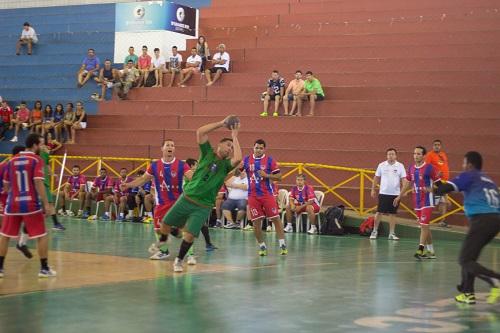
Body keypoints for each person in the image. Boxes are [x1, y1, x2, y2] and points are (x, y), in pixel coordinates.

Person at [151, 116, 241, 272]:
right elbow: (200, 132)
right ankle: (163, 243)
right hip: (187, 198)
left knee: (190, 235)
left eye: (231, 147)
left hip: (203, 206)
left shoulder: (226, 165)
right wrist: (221, 123)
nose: (230, 149)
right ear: (219, 145)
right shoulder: (207, 153)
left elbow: (238, 158)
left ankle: (178, 261)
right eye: (228, 145)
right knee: (164, 223)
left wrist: (234, 136)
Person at [434, 151, 500, 305]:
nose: (463, 166)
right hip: (495, 220)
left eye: (464, 163)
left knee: (464, 259)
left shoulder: (469, 175)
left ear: (469, 164)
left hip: (481, 220)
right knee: (470, 257)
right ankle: (467, 292)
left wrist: (435, 187)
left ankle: (495, 280)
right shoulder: (488, 180)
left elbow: (445, 189)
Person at [121, 140, 193, 260]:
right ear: (162, 148)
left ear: (174, 149)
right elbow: (143, 179)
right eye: (168, 145)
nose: (170, 147)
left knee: (184, 229)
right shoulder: (154, 165)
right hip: (162, 203)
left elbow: (193, 178)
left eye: (172, 145)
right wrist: (128, 185)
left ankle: (190, 255)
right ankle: (164, 252)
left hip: (178, 203)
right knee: (158, 228)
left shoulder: (182, 165)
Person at [0, 134, 57, 279]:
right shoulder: (36, 160)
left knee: (5, 235)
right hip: (30, 203)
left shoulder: (11, 161)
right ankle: (44, 269)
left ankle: (0, 268)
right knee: (41, 235)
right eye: (41, 144)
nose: (42, 147)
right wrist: (46, 204)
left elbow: (6, 186)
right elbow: (38, 182)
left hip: (12, 203)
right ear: (34, 145)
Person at [242, 139, 287, 256]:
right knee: (256, 222)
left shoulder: (269, 160)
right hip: (252, 196)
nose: (258, 150)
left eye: (261, 148)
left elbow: (280, 177)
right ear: (253, 148)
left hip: (267, 194)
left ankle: (282, 244)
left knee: (276, 219)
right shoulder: (246, 160)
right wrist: (236, 169)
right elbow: (237, 172)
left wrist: (266, 175)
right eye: (256, 147)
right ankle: (262, 246)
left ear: (264, 149)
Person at [394, 146, 440, 260]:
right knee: (425, 226)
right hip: (417, 201)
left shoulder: (430, 168)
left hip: (427, 200)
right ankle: (431, 252)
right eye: (414, 153)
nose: (416, 155)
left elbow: (440, 185)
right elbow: (407, 183)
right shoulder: (411, 168)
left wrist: (432, 189)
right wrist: (399, 196)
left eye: (419, 154)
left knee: (424, 225)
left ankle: (420, 249)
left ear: (424, 156)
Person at [370, 148, 407, 240]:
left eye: (393, 154)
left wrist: (403, 191)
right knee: (379, 212)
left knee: (393, 214)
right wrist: (373, 189)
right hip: (383, 193)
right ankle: (374, 231)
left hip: (395, 195)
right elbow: (376, 178)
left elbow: (404, 179)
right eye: (389, 154)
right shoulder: (382, 165)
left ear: (396, 155)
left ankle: (391, 233)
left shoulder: (400, 166)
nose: (391, 156)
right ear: (387, 156)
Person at [184, 158, 217, 251]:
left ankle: (208, 244)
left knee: (202, 224)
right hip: (189, 202)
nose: (198, 166)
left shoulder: (193, 174)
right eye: (196, 165)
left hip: (195, 202)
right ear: (191, 166)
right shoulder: (189, 175)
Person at [39, 136, 65, 231]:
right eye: (40, 143)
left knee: (50, 204)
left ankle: (55, 223)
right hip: (37, 181)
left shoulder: (45, 154)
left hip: (45, 181)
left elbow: (47, 165)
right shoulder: (33, 154)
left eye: (43, 143)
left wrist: (53, 174)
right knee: (45, 205)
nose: (43, 145)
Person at [425, 139, 451, 227]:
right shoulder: (429, 155)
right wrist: (435, 174)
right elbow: (427, 167)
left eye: (438, 145)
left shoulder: (443, 154)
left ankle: (442, 221)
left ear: (441, 146)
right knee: (431, 202)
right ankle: (423, 220)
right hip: (435, 182)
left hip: (444, 182)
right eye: (435, 145)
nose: (437, 146)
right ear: (433, 146)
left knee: (443, 202)